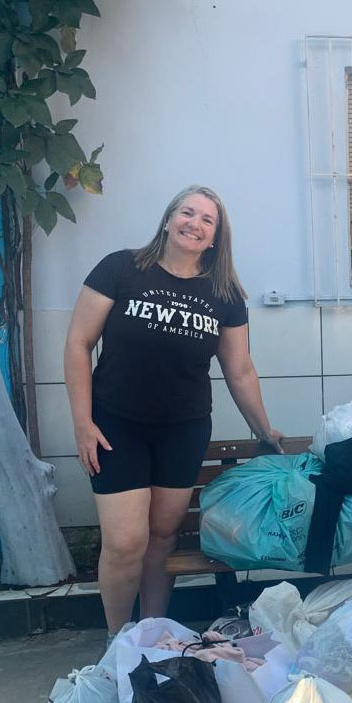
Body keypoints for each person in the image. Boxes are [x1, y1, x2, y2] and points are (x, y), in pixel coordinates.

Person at [64, 184, 283, 638]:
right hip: (114, 426)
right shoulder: (121, 268)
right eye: (188, 213)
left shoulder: (223, 293)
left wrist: (263, 430)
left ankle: (153, 633)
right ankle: (118, 641)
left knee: (163, 537)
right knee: (126, 542)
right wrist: (83, 423)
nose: (195, 224)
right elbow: (79, 343)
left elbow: (239, 369)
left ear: (215, 238)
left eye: (207, 221)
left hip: (182, 430)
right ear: (168, 219)